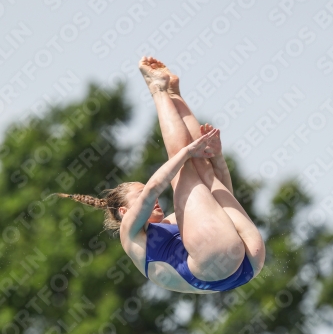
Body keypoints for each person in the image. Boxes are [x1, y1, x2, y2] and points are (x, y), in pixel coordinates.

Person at [53, 57, 265, 294]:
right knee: (183, 164)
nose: (151, 198)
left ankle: (172, 94)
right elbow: (155, 186)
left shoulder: (174, 223)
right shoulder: (130, 233)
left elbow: (221, 200)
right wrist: (184, 153)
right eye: (140, 194)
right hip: (225, 266)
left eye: (145, 192)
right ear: (124, 212)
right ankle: (158, 89)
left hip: (244, 263)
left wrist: (217, 158)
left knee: (200, 166)